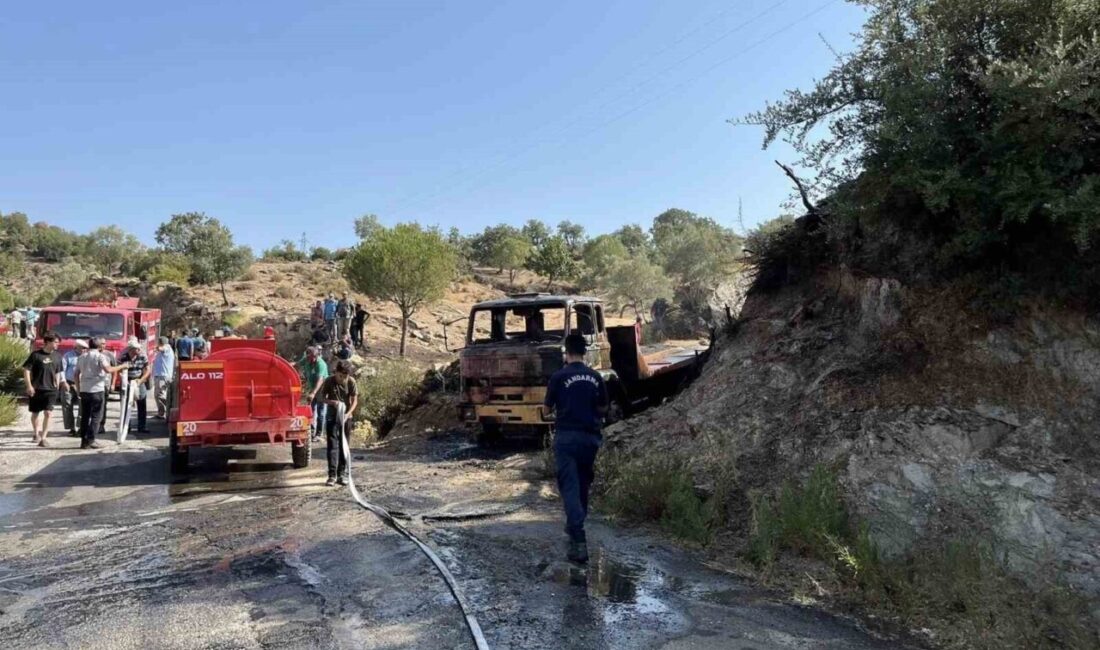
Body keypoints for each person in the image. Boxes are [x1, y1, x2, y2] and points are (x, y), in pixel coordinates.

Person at [544, 333, 609, 564]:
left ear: (566, 351)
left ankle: (579, 540)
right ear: (585, 352)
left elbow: (546, 410)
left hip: (566, 439)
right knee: (583, 484)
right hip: (590, 439)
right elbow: (603, 408)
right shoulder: (595, 376)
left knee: (569, 486)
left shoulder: (558, 377)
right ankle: (574, 525)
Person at [74, 338, 128, 449]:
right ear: (99, 346)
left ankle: (84, 441)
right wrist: (122, 366)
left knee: (85, 416)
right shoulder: (100, 356)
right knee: (96, 416)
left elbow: (76, 374)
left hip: (84, 390)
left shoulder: (81, 357)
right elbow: (108, 369)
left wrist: (78, 389)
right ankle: (91, 439)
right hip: (97, 390)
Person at [22, 332, 66, 447]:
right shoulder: (35, 355)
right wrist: (29, 386)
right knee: (35, 413)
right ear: (47, 342)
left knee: (48, 413)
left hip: (51, 390)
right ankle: (36, 433)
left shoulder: (58, 356)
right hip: (37, 389)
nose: (58, 344)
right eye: (56, 342)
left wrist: (57, 383)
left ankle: (44, 438)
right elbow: (26, 370)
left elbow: (58, 371)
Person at [319, 360, 358, 486]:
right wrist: (333, 403)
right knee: (332, 445)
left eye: (345, 376)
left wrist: (348, 414)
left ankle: (342, 474)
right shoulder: (329, 381)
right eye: (340, 376)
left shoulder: (351, 382)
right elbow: (321, 398)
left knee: (344, 445)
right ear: (336, 372)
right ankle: (332, 475)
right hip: (332, 417)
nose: (342, 379)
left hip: (346, 418)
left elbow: (354, 401)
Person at [294, 346, 328, 440]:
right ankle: (311, 430)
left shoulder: (321, 364)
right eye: (310, 357)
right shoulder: (306, 360)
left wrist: (313, 393)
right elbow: (296, 365)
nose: (312, 359)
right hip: (312, 388)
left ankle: (319, 434)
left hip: (322, 389)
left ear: (317, 355)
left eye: (314, 357)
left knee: (321, 412)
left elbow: (320, 380)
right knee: (310, 410)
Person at [119, 337, 152, 434]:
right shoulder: (123, 356)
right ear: (131, 349)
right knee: (125, 404)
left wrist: (141, 380)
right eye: (136, 349)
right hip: (127, 380)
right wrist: (124, 381)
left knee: (142, 403)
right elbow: (119, 370)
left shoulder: (143, 355)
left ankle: (142, 426)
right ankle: (126, 426)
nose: (139, 350)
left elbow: (148, 369)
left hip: (139, 379)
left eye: (139, 348)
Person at [60, 339, 87, 437]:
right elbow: (62, 369)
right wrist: (63, 382)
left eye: (85, 348)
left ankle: (80, 427)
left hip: (82, 384)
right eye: (82, 348)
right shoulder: (68, 356)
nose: (84, 350)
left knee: (82, 406)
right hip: (69, 383)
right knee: (67, 406)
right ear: (76, 347)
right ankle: (71, 428)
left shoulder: (86, 357)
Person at [152, 337, 175, 419]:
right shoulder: (165, 349)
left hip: (163, 375)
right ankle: (161, 413)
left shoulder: (167, 347)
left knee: (160, 395)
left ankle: (172, 407)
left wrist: (156, 348)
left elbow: (162, 348)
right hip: (160, 375)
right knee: (157, 395)